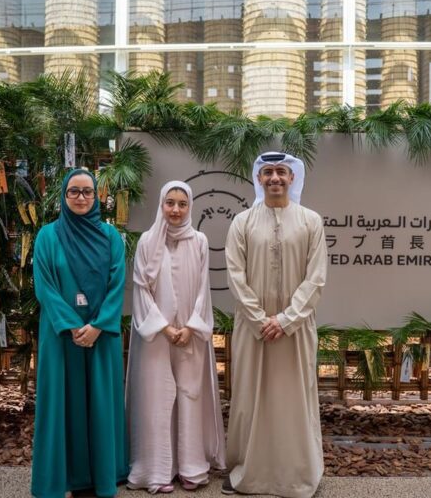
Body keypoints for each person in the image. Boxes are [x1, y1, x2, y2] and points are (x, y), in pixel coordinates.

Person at [223, 152, 328, 497]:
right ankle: (247, 470)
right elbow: (235, 276)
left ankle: (297, 474)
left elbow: (316, 278)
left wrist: (285, 319)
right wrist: (260, 319)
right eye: (267, 172)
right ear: (259, 178)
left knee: (293, 400)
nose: (274, 178)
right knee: (249, 398)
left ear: (292, 177)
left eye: (281, 171)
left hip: (295, 329)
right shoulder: (242, 222)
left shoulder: (311, 221)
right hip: (253, 330)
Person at [31, 169, 128, 498]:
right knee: (61, 403)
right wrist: (73, 325)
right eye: (74, 191)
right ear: (64, 195)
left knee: (100, 403)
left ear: (97, 196)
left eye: (87, 191)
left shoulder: (111, 237)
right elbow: (45, 286)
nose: (81, 197)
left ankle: (100, 477)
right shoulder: (47, 237)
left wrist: (98, 325)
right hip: (62, 335)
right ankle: (61, 479)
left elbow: (117, 283)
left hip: (101, 335)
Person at [126, 181, 225, 494]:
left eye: (182, 204)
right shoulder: (147, 241)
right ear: (161, 204)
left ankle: (191, 466)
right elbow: (141, 289)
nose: (176, 210)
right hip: (156, 336)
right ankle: (156, 470)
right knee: (156, 397)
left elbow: (203, 289)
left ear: (190, 207)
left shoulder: (199, 241)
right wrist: (164, 327)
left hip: (190, 334)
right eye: (170, 202)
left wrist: (191, 327)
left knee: (189, 395)